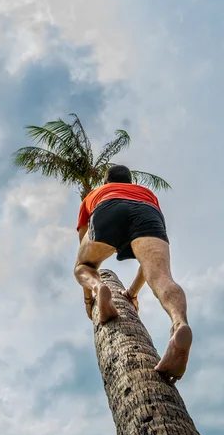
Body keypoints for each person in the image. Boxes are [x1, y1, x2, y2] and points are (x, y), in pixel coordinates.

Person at [74, 164, 192, 384]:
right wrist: (132, 293)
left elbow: (83, 238)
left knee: (83, 266)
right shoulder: (148, 194)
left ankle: (99, 288)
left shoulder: (94, 194)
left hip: (106, 209)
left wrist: (89, 298)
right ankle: (179, 323)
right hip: (148, 213)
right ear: (130, 181)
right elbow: (145, 269)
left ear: (106, 181)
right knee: (161, 277)